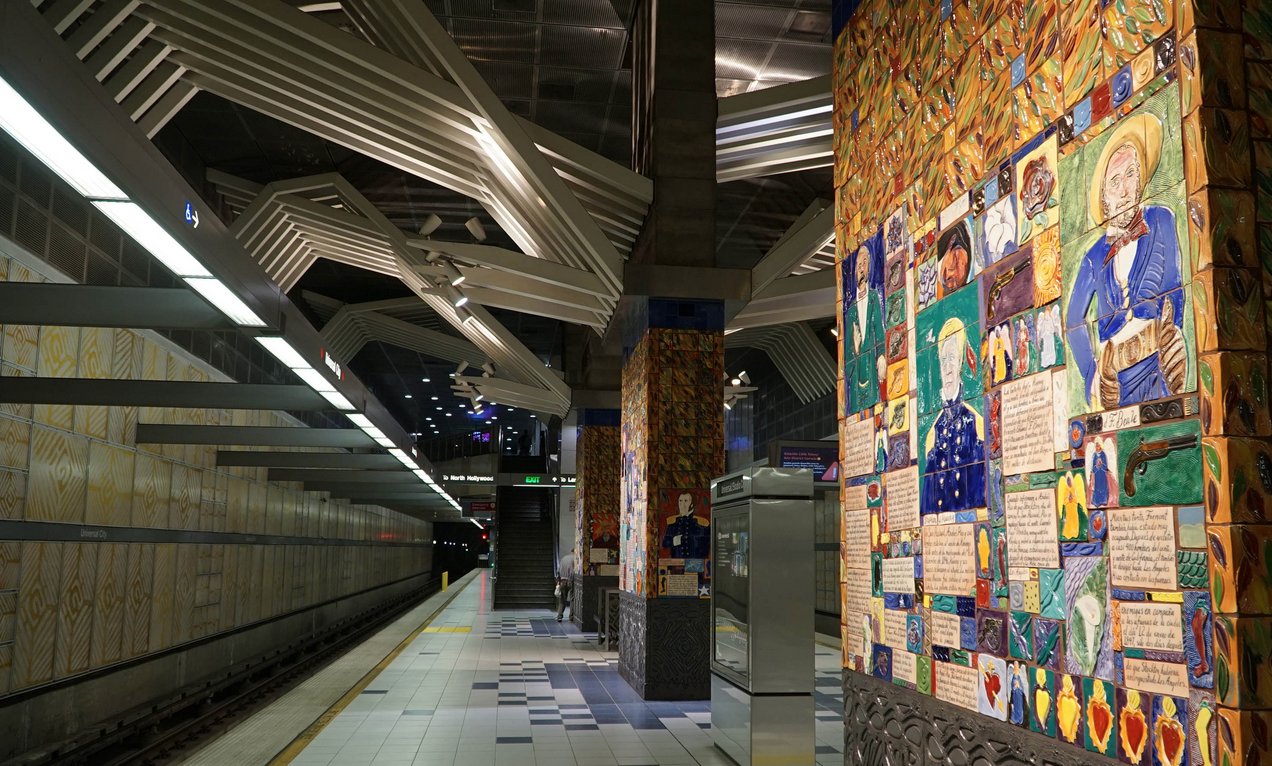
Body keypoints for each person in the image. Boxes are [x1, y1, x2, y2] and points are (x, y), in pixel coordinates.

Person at [1065, 113, 1186, 409]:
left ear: (1142, 177)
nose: (1124, 190)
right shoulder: (1094, 256)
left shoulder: (1161, 220)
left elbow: (1175, 287)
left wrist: (1175, 335)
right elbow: (1073, 320)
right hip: (1115, 381)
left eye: (1131, 174)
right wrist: (1092, 374)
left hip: (1158, 364)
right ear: (1104, 197)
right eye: (1115, 181)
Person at [921, 318, 985, 514]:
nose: (947, 368)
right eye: (943, 360)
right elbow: (927, 506)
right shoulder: (933, 433)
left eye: (952, 358)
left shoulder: (976, 425)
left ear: (960, 363)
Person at [661, 492, 710, 559]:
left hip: (696, 563)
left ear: (692, 504)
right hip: (676, 563)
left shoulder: (702, 523)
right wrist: (675, 541)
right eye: (680, 501)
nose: (682, 504)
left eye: (686, 501)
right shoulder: (673, 522)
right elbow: (665, 543)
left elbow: (706, 546)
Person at [556, 547, 577, 622]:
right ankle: (571, 617)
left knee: (562, 599)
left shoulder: (563, 558)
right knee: (572, 599)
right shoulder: (575, 559)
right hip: (570, 581)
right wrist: (571, 579)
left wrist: (558, 580)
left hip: (562, 581)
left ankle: (559, 616)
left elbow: (558, 570)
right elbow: (573, 571)